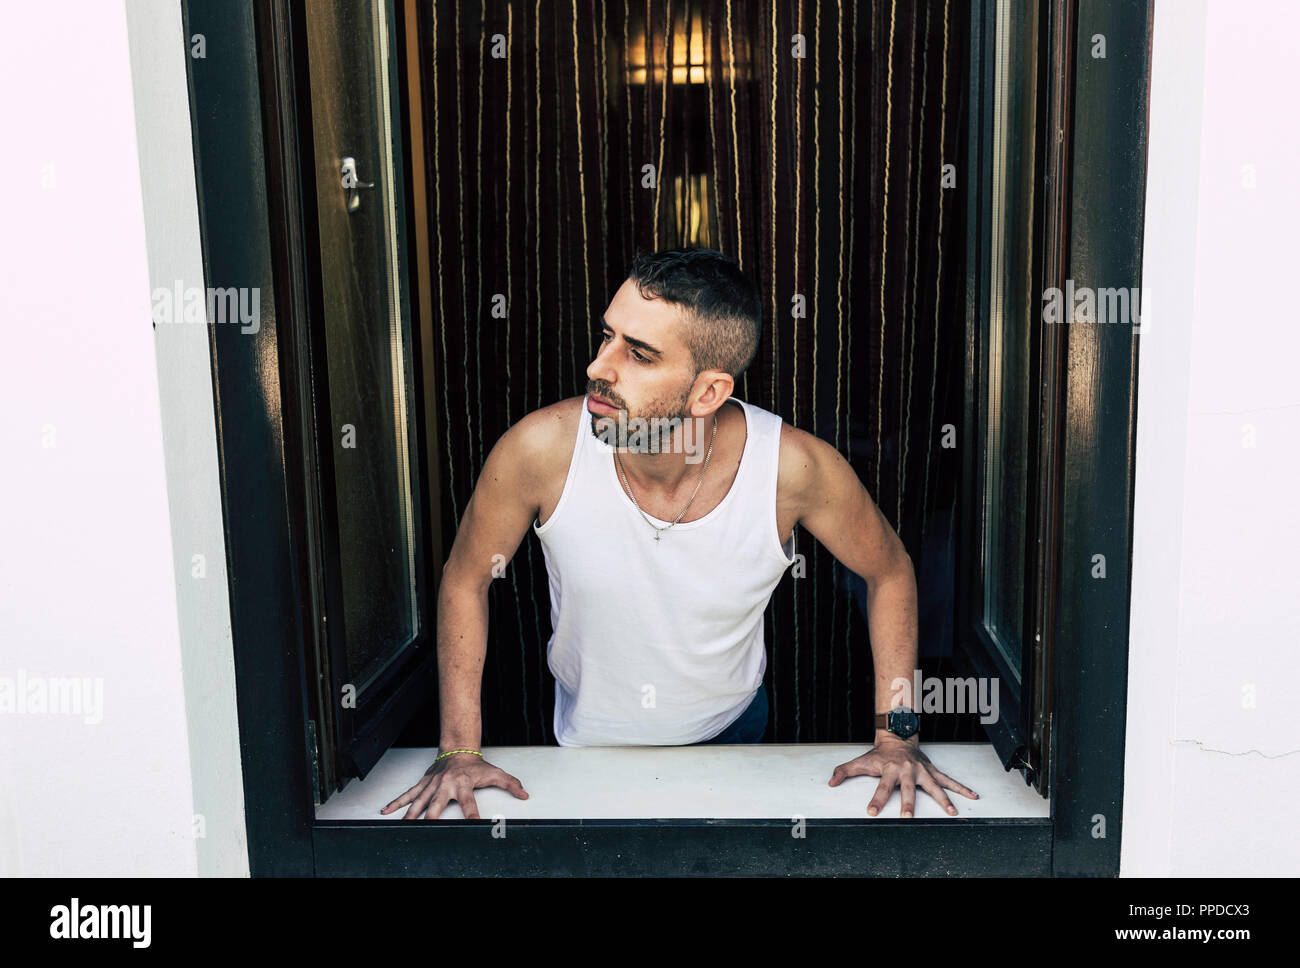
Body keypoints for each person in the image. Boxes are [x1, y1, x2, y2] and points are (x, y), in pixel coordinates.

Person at [382, 248, 979, 820]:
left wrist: (897, 737)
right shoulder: (540, 450)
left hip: (734, 735)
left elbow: (890, 570)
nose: (598, 366)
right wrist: (458, 749)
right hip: (585, 744)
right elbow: (465, 579)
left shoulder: (791, 468)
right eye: (606, 335)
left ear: (709, 392)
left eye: (639, 354)